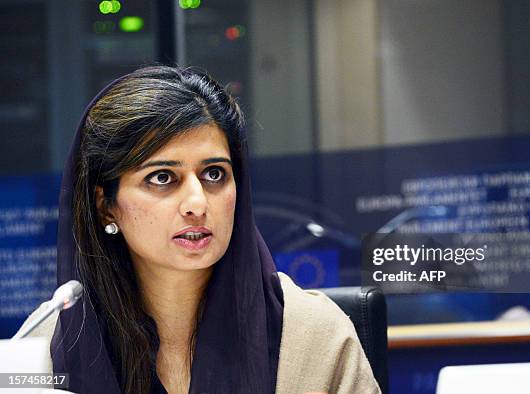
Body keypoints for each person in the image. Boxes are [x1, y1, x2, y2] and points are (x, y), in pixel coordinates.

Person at [16, 66, 380, 394]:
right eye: (162, 177)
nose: (197, 202)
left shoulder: (316, 337)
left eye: (214, 174)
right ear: (105, 205)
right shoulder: (42, 347)